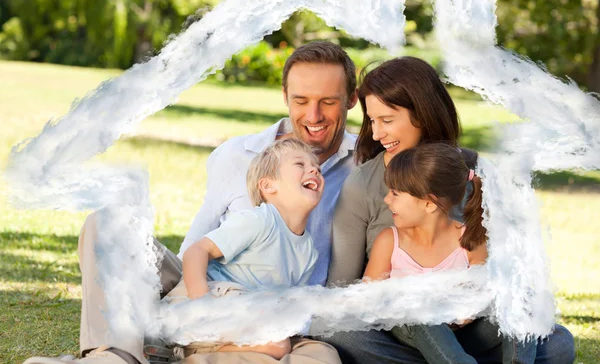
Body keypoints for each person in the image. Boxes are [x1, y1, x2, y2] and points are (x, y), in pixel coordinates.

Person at [24, 41, 358, 364]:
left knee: (319, 358)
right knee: (107, 225)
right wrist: (197, 305)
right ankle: (117, 355)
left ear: (351, 100)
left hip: (266, 315)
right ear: (285, 96)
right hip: (202, 288)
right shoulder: (236, 154)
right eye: (301, 100)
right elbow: (196, 244)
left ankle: (173, 352)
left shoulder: (367, 167)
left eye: (328, 101)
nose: (313, 115)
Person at [325, 57, 576, 364]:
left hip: (472, 329)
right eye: (372, 121)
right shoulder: (363, 185)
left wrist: (471, 307)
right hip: (403, 332)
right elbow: (342, 290)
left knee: (557, 343)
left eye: (387, 121)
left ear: (424, 112)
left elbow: (506, 273)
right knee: (339, 336)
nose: (377, 134)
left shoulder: (477, 173)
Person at [364, 142, 537, 364]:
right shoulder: (389, 240)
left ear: (429, 204)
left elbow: (482, 290)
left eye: (395, 193)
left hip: (463, 334)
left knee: (519, 295)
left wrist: (466, 308)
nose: (387, 200)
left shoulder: (470, 239)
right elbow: (368, 297)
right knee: (418, 310)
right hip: (411, 334)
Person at [165, 138, 323, 359]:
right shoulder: (259, 221)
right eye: (300, 165)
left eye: (317, 168)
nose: (314, 170)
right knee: (277, 343)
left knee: (279, 343)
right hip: (206, 300)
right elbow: (196, 251)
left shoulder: (308, 252)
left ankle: (193, 350)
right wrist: (202, 304)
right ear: (269, 186)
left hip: (245, 312)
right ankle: (182, 348)